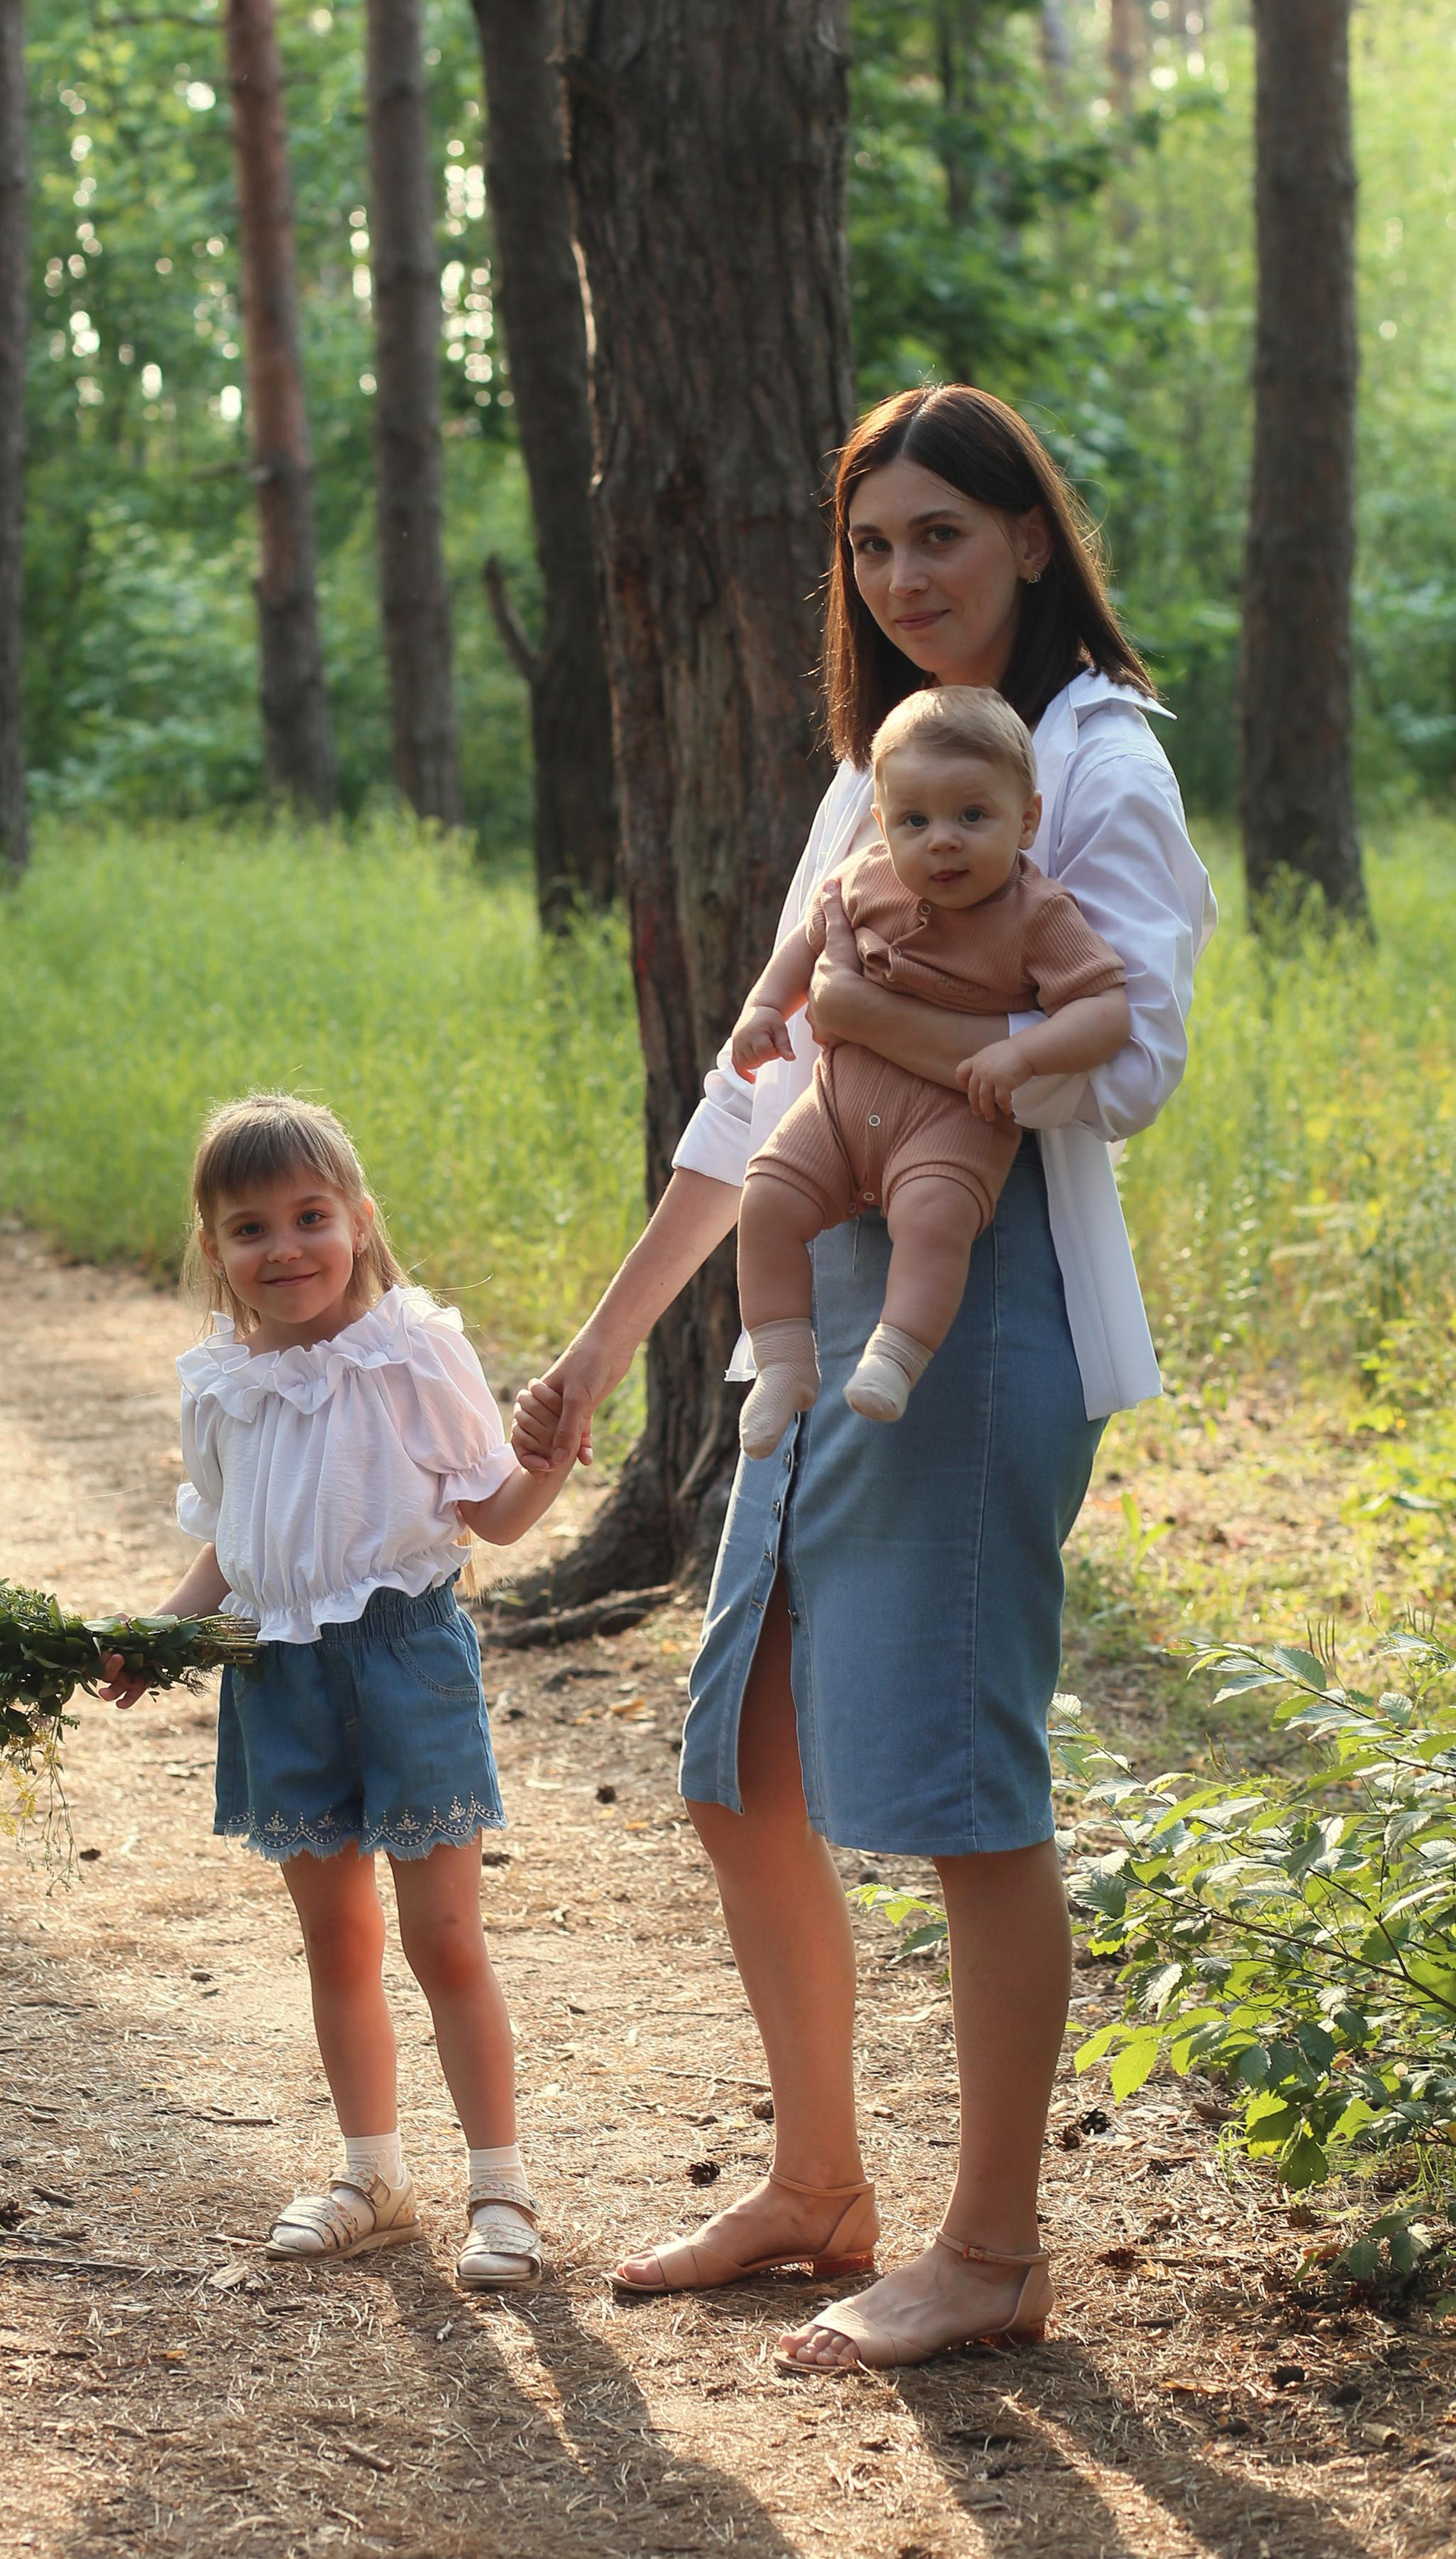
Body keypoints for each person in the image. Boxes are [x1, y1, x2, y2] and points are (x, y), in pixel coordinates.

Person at [513, 384, 1215, 2371]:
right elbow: (763, 1090)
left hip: (978, 1310)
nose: (907, 575)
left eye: (944, 535)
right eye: (874, 543)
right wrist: (596, 1346)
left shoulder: (1089, 764)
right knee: (745, 1758)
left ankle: (989, 2248)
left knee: (965, 1781)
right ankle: (820, 2182)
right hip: (805, 1306)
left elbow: (1134, 1054)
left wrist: (903, 1004)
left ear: (1030, 543)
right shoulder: (872, 777)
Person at [100, 1092, 575, 2289]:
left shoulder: (413, 1350)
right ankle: (373, 2174)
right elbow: (229, 1542)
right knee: (336, 1938)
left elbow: (497, 1514)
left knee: (444, 1937)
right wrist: (154, 1636)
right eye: (250, 1227)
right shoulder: (219, 1383)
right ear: (215, 1251)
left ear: (360, 1220)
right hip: (275, 1672)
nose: (286, 1247)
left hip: (404, 1660)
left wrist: (553, 1457)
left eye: (311, 1215)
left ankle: (502, 2190)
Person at [733, 684, 1131, 1450]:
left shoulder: (1037, 914)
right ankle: (783, 1359)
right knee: (767, 1201)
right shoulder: (862, 877)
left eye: (971, 816)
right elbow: (802, 948)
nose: (941, 840)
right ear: (882, 824)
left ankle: (896, 1355)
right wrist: (760, 1010)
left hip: (950, 1123)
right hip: (837, 1112)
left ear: (1026, 819)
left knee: (934, 1221)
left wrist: (1023, 1049)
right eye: (915, 820)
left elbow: (1105, 1009)